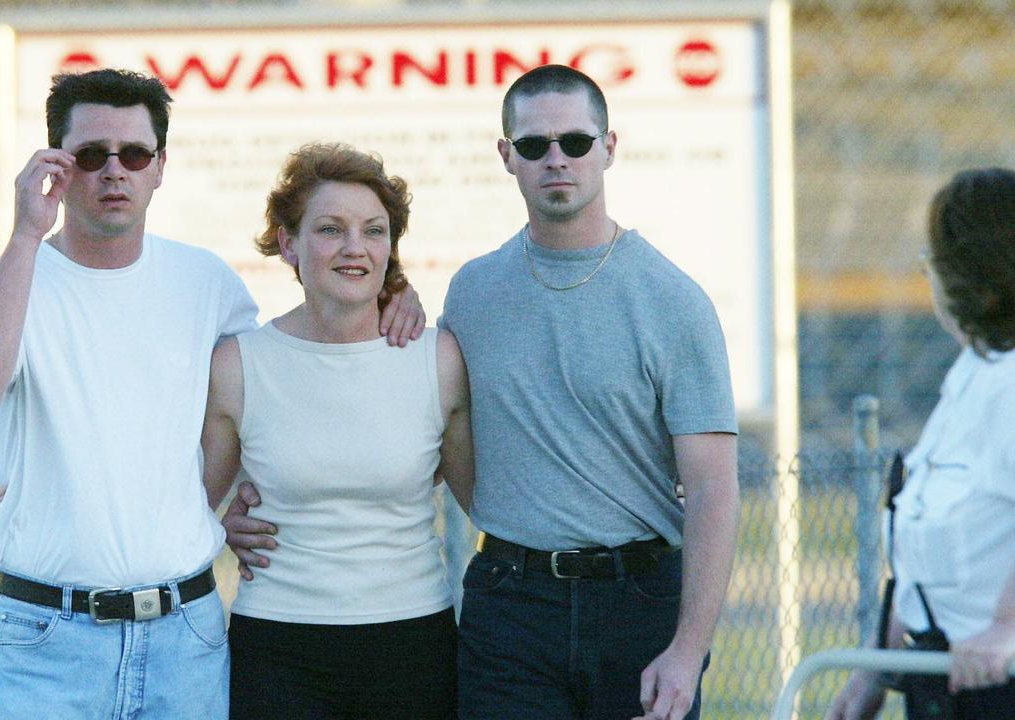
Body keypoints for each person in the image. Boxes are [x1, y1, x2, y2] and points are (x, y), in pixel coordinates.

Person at [226, 64, 740, 720]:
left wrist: (688, 650)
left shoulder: (673, 301)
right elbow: (411, 397)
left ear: (609, 148)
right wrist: (393, 293)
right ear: (507, 157)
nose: (556, 159)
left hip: (637, 602)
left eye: (576, 142)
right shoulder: (475, 291)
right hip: (512, 603)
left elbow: (715, 488)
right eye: (533, 145)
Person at [0, 69, 423, 719]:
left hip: (183, 636)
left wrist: (392, 289)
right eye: (90, 156)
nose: (115, 172)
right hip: (49, 637)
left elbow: (284, 378)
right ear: (58, 165)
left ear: (159, 167)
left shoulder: (206, 283)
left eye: (134, 154)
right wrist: (26, 234)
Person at [203, 142, 473, 719]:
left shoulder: (438, 359)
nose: (355, 248)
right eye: (331, 229)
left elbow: (492, 502)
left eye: (374, 231)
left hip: (413, 645)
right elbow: (187, 505)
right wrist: (222, 524)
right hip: (278, 647)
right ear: (288, 244)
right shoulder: (239, 365)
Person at [826, 167, 1015, 720]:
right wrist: (876, 668)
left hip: (996, 677)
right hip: (947, 681)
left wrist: (1006, 628)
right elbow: (922, 547)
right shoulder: (975, 373)